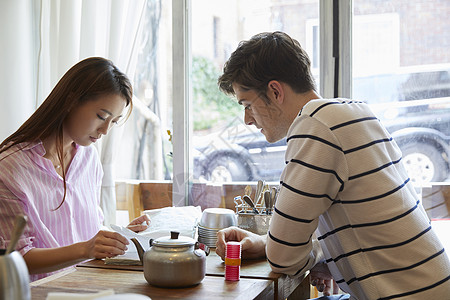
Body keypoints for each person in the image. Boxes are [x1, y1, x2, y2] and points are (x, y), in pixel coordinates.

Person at [215, 32, 450, 299]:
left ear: (275, 91)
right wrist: (274, 245)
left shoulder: (315, 127)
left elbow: (283, 258)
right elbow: (370, 228)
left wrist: (294, 252)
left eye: (247, 105)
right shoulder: (355, 112)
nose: (247, 119)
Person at [0, 57, 150, 281]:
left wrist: (120, 236)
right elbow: (16, 257)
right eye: (102, 116)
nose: (105, 130)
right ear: (71, 101)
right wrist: (86, 249)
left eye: (114, 122)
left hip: (88, 286)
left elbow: (86, 230)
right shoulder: (10, 167)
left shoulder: (88, 157)